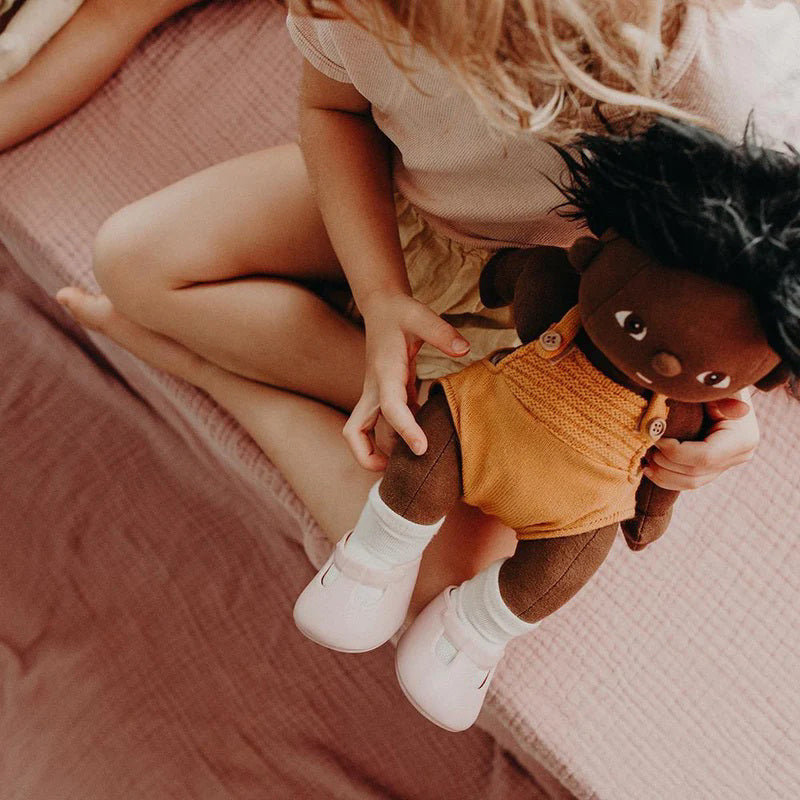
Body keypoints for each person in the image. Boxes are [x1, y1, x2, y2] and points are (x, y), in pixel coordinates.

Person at [57, 0, 799, 614]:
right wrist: (381, 299)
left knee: (445, 579)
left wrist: (732, 415)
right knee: (131, 257)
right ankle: (396, 397)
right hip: (409, 208)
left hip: (565, 316)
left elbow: (747, 285)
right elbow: (333, 110)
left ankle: (217, 377)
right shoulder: (344, 10)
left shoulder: (709, 78)